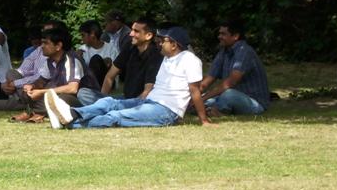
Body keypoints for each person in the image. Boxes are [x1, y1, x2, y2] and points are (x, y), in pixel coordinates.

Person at [44, 26, 213, 129]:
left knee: (116, 116)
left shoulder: (190, 60)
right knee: (109, 102)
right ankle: (72, 113)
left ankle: (71, 124)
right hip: (150, 101)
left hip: (166, 111)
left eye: (163, 40)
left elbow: (194, 91)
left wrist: (203, 120)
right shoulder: (167, 58)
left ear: (175, 45)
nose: (159, 43)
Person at [12, 27, 99, 122]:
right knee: (30, 92)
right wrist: (32, 86)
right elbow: (41, 82)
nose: (42, 46)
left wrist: (41, 92)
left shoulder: (72, 60)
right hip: (65, 96)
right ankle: (37, 111)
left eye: (46, 43)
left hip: (83, 99)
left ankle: (36, 112)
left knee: (60, 98)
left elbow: (72, 88)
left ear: (58, 46)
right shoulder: (49, 61)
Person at [200, 19, 271, 115]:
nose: (219, 36)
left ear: (235, 36)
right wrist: (196, 96)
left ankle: (215, 110)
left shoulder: (244, 51)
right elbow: (209, 79)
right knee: (203, 99)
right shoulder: (223, 52)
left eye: (223, 34)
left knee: (228, 95)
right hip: (230, 95)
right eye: (219, 34)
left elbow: (230, 83)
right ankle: (210, 109)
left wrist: (203, 98)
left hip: (254, 102)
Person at [98, 17, 163, 100]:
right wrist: (102, 99)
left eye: (136, 31)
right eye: (132, 30)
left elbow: (147, 91)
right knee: (92, 96)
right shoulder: (129, 46)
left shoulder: (155, 56)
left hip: (140, 103)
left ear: (148, 35)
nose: (131, 34)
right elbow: (109, 76)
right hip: (125, 98)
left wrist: (130, 105)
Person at [77, 20, 119, 86]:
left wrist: (105, 64)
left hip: (108, 84)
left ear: (92, 34)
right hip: (90, 85)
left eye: (83, 35)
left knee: (96, 59)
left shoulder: (111, 49)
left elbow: (116, 72)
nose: (81, 39)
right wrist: (79, 60)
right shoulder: (82, 50)